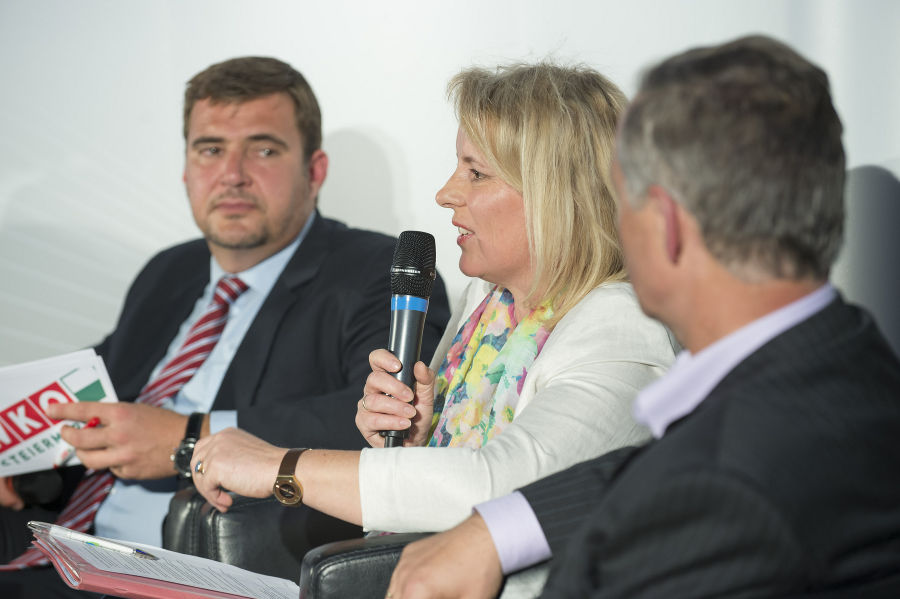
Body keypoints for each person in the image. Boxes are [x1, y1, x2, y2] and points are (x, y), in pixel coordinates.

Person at [386, 35, 900, 598]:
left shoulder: (733, 493)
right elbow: (649, 468)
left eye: (620, 197)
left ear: (667, 224)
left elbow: (693, 483)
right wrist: (499, 528)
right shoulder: (843, 357)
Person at [0, 56, 450, 598]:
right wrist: (18, 449)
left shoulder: (375, 273)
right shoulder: (170, 270)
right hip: (62, 551)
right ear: (187, 168)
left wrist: (190, 437)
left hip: (183, 575)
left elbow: (382, 421)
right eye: (210, 149)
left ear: (315, 170)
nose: (232, 174)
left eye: (263, 149)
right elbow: (98, 383)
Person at [189, 63, 676, 537]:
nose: (446, 194)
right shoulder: (486, 305)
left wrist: (283, 466)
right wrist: (412, 441)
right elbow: (433, 506)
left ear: (556, 195)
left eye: (477, 173)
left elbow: (502, 487)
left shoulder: (622, 325)